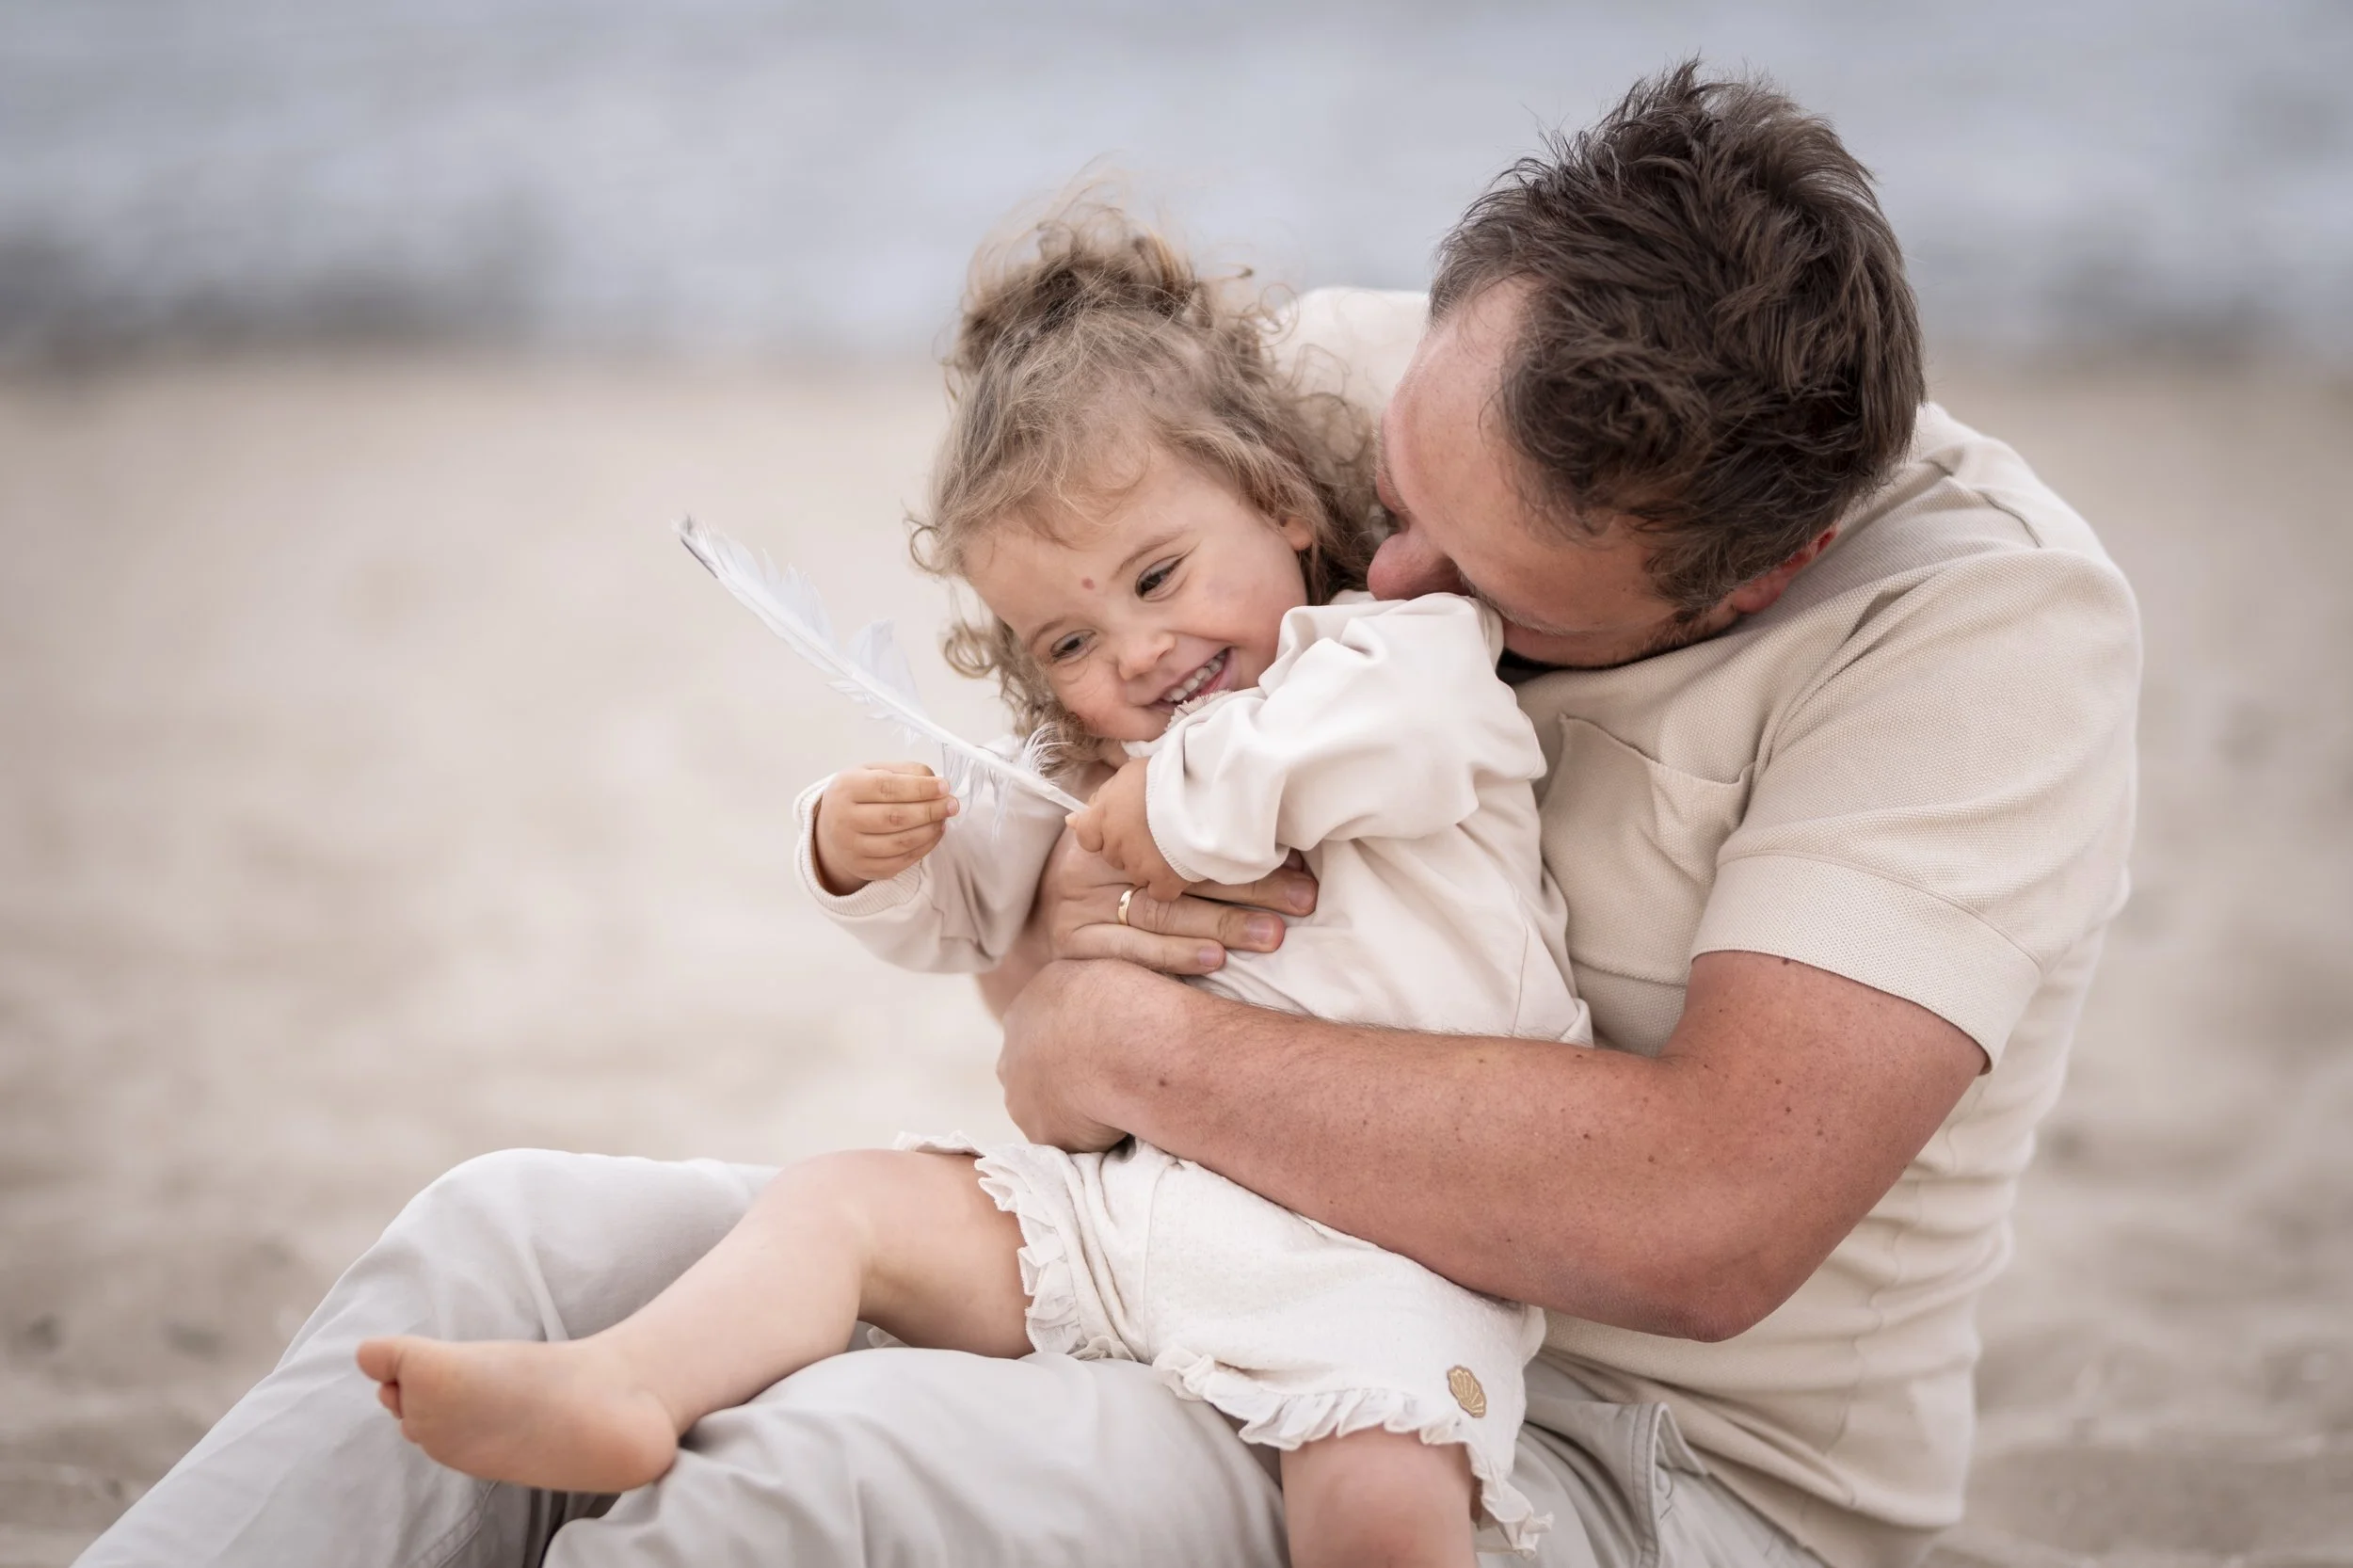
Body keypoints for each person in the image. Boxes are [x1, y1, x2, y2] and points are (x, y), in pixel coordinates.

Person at [76, 61, 2138, 1568]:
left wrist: (1127, 1038)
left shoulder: (1979, 646)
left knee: (804, 1485)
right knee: (505, 1234)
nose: (1378, 577)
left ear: (1735, 581)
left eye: (1477, 588)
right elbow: (1053, 762)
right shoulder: (1378, 389)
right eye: (1381, 500)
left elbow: (1704, 1219)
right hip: (1186, 1242)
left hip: (1609, 1451)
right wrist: (1014, 944)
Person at [351, 212, 1593, 1567]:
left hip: (1387, 1252)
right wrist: (855, 846)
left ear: (1282, 500)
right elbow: (970, 912)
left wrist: (1177, 804)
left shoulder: (1396, 657)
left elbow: (1399, 743)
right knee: (840, 1198)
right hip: (1144, 1218)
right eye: (1070, 637)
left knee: (1379, 1516)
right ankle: (630, 1380)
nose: (1140, 650)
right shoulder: (1093, 762)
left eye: (1160, 574)